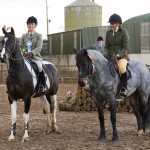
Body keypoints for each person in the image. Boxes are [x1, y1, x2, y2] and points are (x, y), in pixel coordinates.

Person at [19, 16, 46, 95]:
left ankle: (42, 85)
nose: (30, 26)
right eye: (29, 24)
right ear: (27, 25)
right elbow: (20, 46)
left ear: (35, 25)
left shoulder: (39, 35)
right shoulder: (24, 36)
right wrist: (24, 52)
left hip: (35, 57)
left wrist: (31, 53)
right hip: (24, 57)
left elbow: (39, 47)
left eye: (32, 24)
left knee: (40, 67)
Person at [104, 13, 129, 97]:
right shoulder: (108, 33)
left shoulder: (124, 32)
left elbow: (125, 47)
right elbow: (106, 46)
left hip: (121, 56)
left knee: (122, 68)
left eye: (113, 23)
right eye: (110, 23)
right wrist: (105, 54)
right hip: (110, 56)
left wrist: (118, 55)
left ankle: (124, 88)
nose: (111, 25)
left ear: (118, 24)